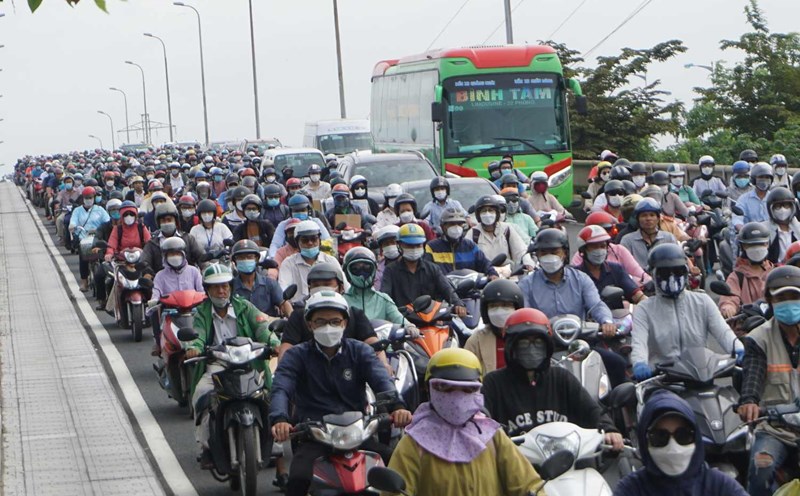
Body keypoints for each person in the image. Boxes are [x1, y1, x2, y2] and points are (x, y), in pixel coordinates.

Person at [270, 291, 412, 496]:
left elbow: (382, 380)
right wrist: (280, 418)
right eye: (320, 322)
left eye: (335, 321)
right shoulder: (296, 356)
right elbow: (281, 387)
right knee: (298, 478)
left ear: (345, 323)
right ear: (310, 325)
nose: (329, 327)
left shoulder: (360, 351)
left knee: (396, 467)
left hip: (358, 433)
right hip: (314, 437)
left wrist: (397, 407)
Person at [386, 348, 544, 496]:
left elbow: (529, 485)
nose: (457, 397)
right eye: (445, 387)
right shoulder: (414, 443)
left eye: (468, 389)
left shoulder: (493, 437)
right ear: (428, 389)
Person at [483, 308, 624, 447]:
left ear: (547, 347)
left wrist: (609, 429)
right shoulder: (493, 383)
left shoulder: (561, 378)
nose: (531, 349)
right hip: (515, 464)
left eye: (538, 343)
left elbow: (591, 410)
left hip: (565, 458)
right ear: (510, 347)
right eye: (523, 343)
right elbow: (482, 423)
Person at [186, 264, 279, 467]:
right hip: (217, 367)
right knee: (201, 396)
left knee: (271, 396)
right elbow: (198, 335)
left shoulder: (244, 306)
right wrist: (195, 347)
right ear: (207, 289)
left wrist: (273, 343)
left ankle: (273, 441)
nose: (221, 291)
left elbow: (262, 328)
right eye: (216, 287)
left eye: (225, 286)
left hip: (249, 364)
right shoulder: (201, 312)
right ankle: (206, 446)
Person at [518, 228, 627, 387]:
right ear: (538, 256)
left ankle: (616, 409)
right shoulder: (526, 284)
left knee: (617, 363)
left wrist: (606, 321)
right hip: (545, 347)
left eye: (554, 251)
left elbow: (596, 304)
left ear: (565, 253)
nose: (549, 256)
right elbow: (524, 315)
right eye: (543, 252)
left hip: (580, 344)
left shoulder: (581, 279)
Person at [631, 243, 740, 380]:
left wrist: (738, 348)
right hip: (662, 381)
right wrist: (640, 363)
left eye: (677, 271)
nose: (672, 278)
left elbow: (723, 332)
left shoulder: (702, 301)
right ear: (653, 274)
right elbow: (639, 342)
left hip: (701, 376)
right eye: (664, 273)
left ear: (686, 272)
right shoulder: (644, 309)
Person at [738, 265, 800, 496]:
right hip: (774, 428)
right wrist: (750, 401)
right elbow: (752, 375)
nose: (789, 302)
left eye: (795, 296)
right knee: (760, 468)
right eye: (781, 297)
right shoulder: (758, 339)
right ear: (769, 299)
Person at [615, 389, 747, 496]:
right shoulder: (631, 489)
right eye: (660, 437)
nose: (673, 448)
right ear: (645, 441)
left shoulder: (719, 485)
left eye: (683, 436)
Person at [381, 223, 466, 315]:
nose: (414, 249)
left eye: (418, 245)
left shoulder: (432, 268)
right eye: (409, 245)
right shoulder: (390, 270)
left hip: (432, 319)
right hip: (404, 321)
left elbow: (447, 290)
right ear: (399, 245)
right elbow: (385, 297)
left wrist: (458, 304)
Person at [149, 237, 204, 355]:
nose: (175, 256)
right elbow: (156, 290)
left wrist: (204, 297)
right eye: (171, 254)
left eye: (177, 253)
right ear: (165, 257)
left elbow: (201, 290)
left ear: (183, 254)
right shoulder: (160, 275)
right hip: (170, 311)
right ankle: (158, 343)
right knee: (154, 312)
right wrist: (154, 300)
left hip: (192, 310)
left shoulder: (193, 271)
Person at [341, 247, 417, 332]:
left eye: (367, 268)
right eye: (355, 269)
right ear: (347, 272)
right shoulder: (342, 301)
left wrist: (410, 327)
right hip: (351, 344)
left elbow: (398, 318)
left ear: (374, 270)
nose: (362, 273)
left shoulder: (383, 299)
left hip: (382, 344)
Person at [719, 222, 773, 333]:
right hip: (748, 331)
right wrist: (728, 306)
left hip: (776, 329)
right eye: (751, 245)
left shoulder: (776, 272)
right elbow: (730, 297)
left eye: (761, 244)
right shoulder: (737, 276)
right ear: (743, 246)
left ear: (768, 244)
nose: (757, 249)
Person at [572, 211, 651, 284]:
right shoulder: (579, 257)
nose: (601, 233)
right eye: (593, 246)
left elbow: (641, 275)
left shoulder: (619, 252)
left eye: (607, 229)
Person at [464, 279, 524, 374]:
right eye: (493, 306)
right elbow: (466, 371)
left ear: (517, 308)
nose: (499, 311)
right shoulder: (477, 340)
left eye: (505, 305)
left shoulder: (527, 337)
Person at [574, 225, 645, 304]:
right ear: (583, 250)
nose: (599, 250)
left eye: (602, 246)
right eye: (594, 247)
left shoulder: (616, 269)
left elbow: (637, 295)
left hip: (617, 315)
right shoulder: (575, 275)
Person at [278, 220, 344, 303]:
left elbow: (345, 287)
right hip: (299, 309)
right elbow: (283, 290)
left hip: (329, 306)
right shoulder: (288, 263)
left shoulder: (331, 261)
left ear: (319, 241)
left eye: (313, 239)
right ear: (297, 243)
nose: (310, 243)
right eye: (305, 240)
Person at [425, 208, 499, 278]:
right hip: (443, 289)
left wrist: (492, 274)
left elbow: (484, 263)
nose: (456, 227)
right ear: (443, 226)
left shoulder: (470, 246)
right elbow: (427, 272)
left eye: (459, 224)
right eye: (452, 224)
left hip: (470, 288)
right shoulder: (432, 247)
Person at [230, 240, 292, 318]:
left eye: (249, 257)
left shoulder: (270, 283)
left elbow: (284, 304)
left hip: (269, 327)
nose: (245, 260)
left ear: (256, 259)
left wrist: (292, 321)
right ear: (235, 261)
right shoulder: (230, 287)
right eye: (241, 258)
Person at [467, 195, 530, 269]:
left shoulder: (507, 229)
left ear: (497, 213)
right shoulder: (473, 233)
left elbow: (520, 250)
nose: (488, 214)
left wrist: (527, 263)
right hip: (484, 274)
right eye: (484, 211)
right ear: (478, 215)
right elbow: (466, 257)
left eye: (490, 210)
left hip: (508, 273)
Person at [141, 204, 205, 274]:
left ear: (176, 221)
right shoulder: (152, 243)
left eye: (169, 220)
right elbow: (145, 262)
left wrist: (205, 269)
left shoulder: (188, 239)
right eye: (163, 221)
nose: (166, 223)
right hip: (162, 281)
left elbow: (201, 257)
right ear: (158, 223)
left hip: (187, 279)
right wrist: (148, 273)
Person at [620, 198, 679, 271]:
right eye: (644, 215)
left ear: (658, 219)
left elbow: (677, 260)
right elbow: (623, 265)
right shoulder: (627, 240)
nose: (648, 218)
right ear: (638, 219)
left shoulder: (669, 238)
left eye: (652, 215)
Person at [765, 186, 800, 264]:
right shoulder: (764, 229)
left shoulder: (798, 228)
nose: (782, 210)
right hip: (772, 271)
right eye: (778, 207)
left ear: (793, 207)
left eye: (786, 206)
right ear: (771, 209)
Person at [733, 162, 773, 228]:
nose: (764, 180)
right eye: (761, 177)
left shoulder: (774, 198)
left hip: (772, 235)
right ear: (753, 180)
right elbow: (737, 219)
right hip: (751, 235)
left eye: (767, 177)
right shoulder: (744, 199)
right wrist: (741, 228)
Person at [373, 224, 400, 290]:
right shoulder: (378, 269)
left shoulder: (410, 264)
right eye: (386, 243)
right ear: (381, 247)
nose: (390, 245)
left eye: (393, 242)